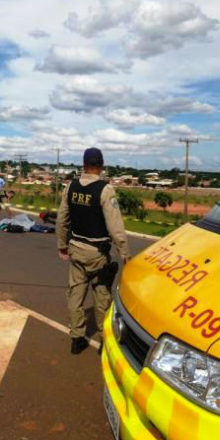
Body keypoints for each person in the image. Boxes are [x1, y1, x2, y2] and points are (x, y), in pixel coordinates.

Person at [56, 147, 131, 355]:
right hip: (97, 254)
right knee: (102, 296)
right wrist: (125, 253)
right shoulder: (105, 190)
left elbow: (62, 219)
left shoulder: (70, 187)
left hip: (76, 250)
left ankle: (76, 339)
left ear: (83, 164)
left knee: (75, 294)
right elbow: (116, 227)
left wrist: (62, 244)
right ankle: (104, 341)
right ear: (102, 165)